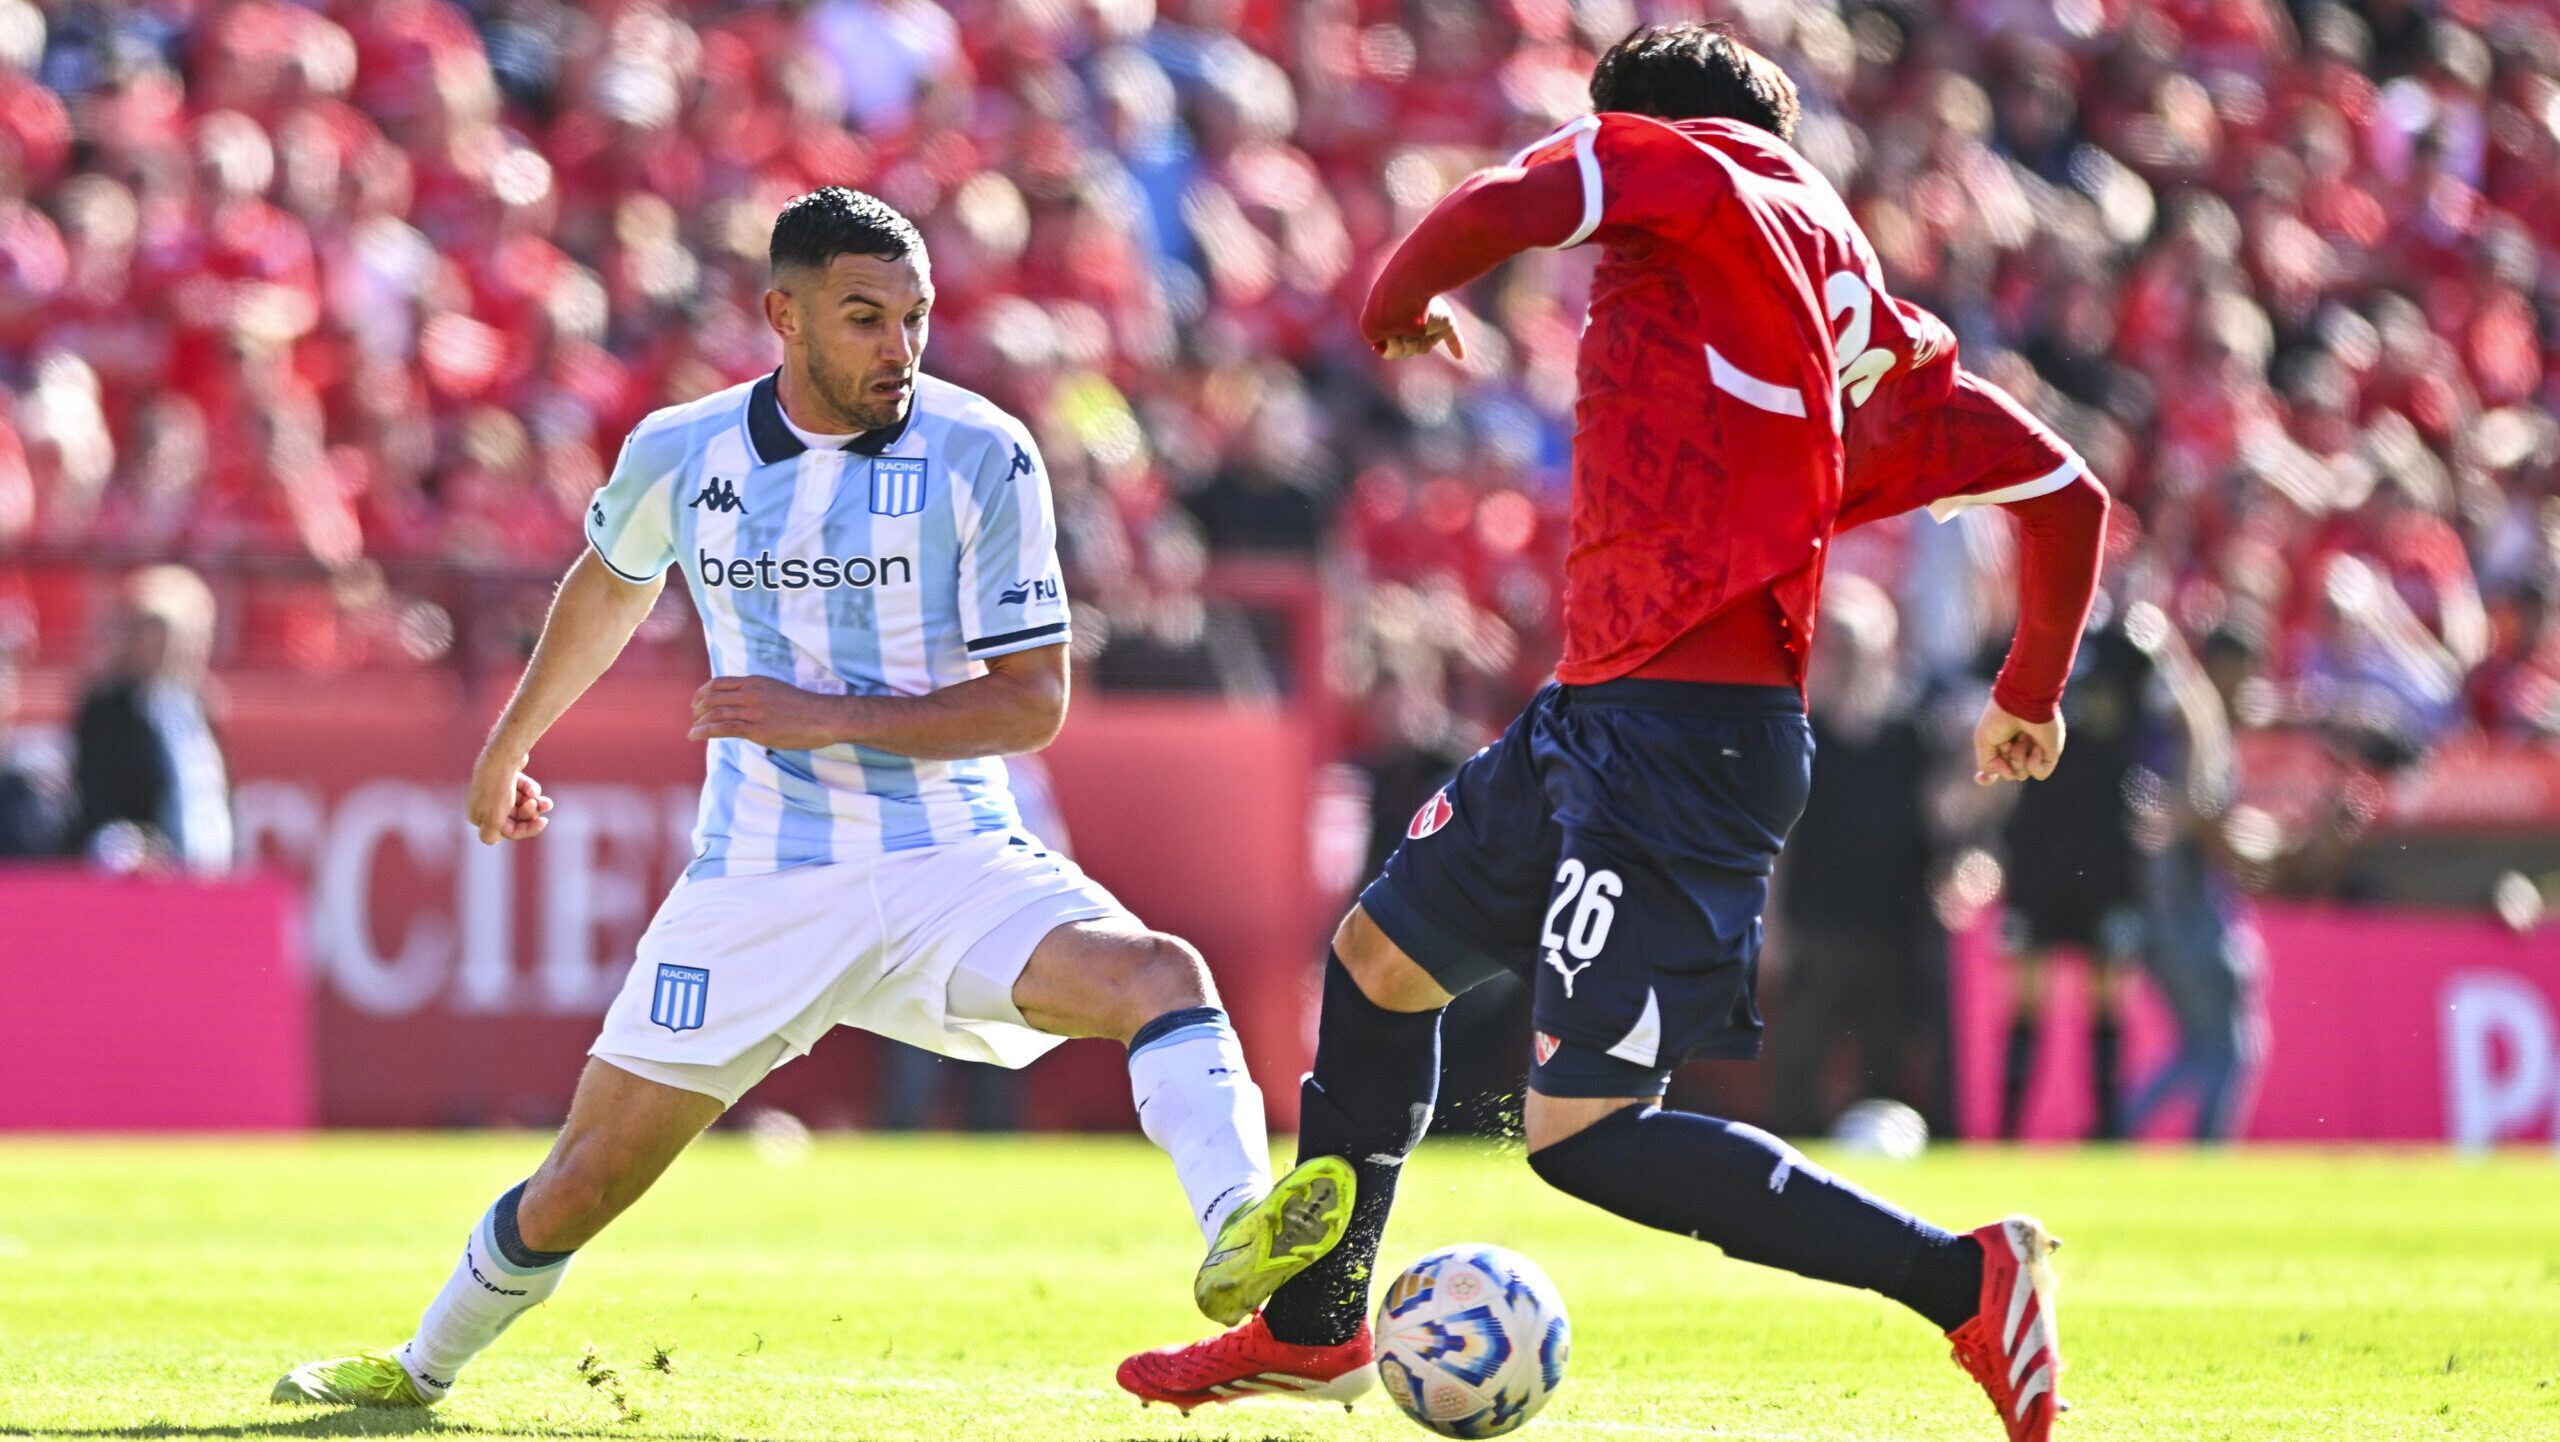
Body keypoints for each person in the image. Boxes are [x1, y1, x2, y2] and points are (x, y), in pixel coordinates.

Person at [1116, 27, 2111, 1442]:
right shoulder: (1864, 324)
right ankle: (1320, 1324)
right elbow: (2066, 492)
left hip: (1686, 740)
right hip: (1602, 710)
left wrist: (1400, 304)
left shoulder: (1685, 160)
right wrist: (2029, 689)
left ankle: (1964, 1276)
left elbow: (1501, 203)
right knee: (1382, 962)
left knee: (1583, 1136)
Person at [271, 188, 1353, 1410]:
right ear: (781, 315)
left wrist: (823, 713)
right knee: (581, 1180)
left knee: (1161, 972)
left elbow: (1032, 702)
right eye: (864, 318)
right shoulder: (684, 451)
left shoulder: (982, 450)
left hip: (950, 854)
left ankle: (1237, 1232)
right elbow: (612, 581)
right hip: (760, 880)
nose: (898, 348)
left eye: (914, 318)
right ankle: (420, 1368)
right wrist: (509, 741)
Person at [1766, 576, 1953, 1138]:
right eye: (1835, 644)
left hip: (1894, 930)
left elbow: (1946, 819)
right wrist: (1770, 926)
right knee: (1796, 1075)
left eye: (1855, 643)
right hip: (1816, 930)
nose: (1844, 657)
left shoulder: (1914, 734)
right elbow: (1780, 840)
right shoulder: (1803, 736)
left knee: (1888, 1073)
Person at [1990, 599, 2156, 1141]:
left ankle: (2107, 1131)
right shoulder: (2026, 640)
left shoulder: (2129, 647)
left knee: (2107, 990)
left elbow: (2182, 712)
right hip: (2037, 847)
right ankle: (2008, 1133)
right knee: (2028, 992)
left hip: (2105, 849)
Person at [2123, 619, 2268, 1142]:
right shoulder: (2196, 727)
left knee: (2197, 1050)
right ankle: (2128, 1131)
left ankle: (2116, 1128)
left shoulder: (2152, 738)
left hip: (2162, 914)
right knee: (2228, 1051)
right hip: (2193, 915)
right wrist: (2262, 847)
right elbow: (2206, 819)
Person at [72, 564, 232, 873]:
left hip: (211, 876)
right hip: (147, 878)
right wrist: (137, 848)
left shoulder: (200, 706)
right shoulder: (108, 709)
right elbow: (98, 799)